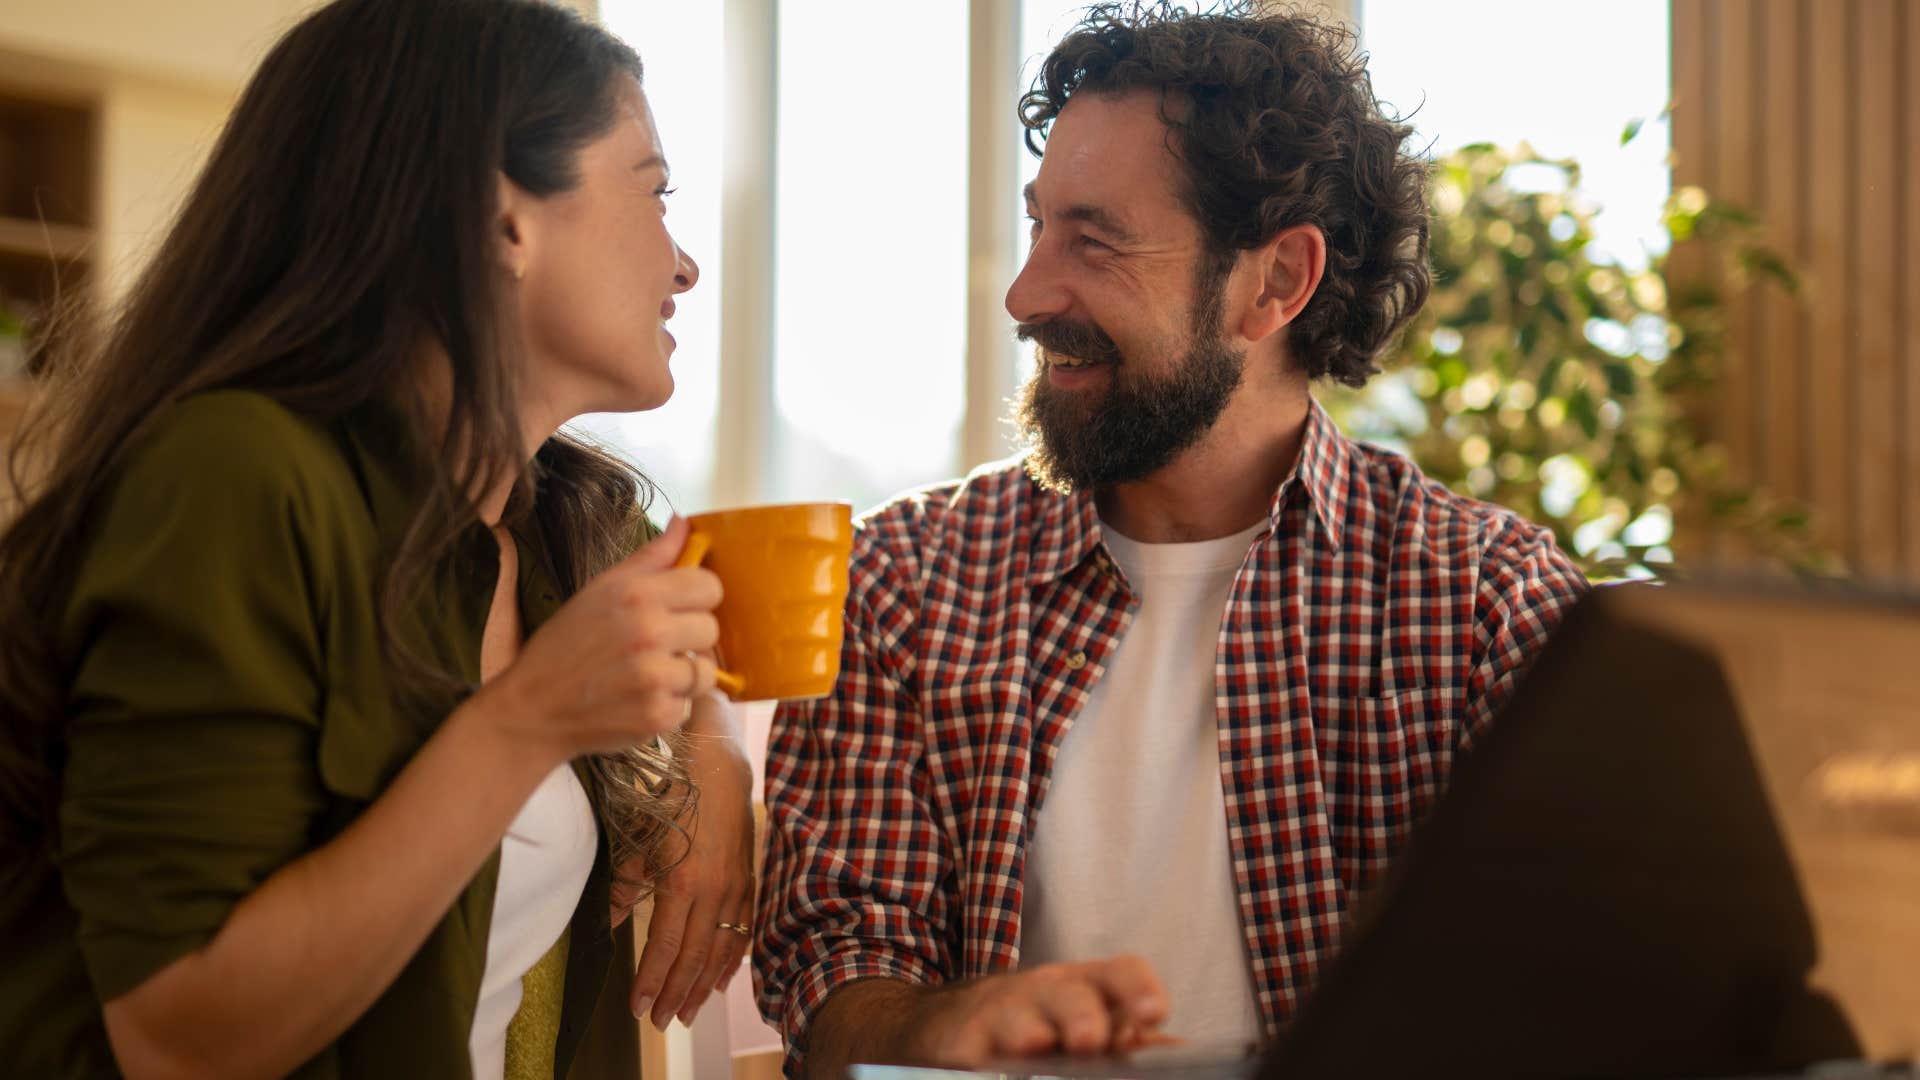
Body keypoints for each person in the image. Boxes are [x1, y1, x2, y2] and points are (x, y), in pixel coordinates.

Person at [752, 3, 1589, 1075]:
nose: (1025, 294)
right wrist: (938, 1031)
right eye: (1038, 226)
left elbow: (1589, 989)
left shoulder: (1488, 608)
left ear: (1276, 281)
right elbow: (835, 967)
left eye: (1094, 240)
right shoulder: (902, 583)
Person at [0, 1, 755, 1076]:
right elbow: (176, 1041)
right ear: (503, 221)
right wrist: (526, 721)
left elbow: (686, 637)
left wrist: (717, 760)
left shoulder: (558, 519)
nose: (684, 267)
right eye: (655, 192)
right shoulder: (235, 477)